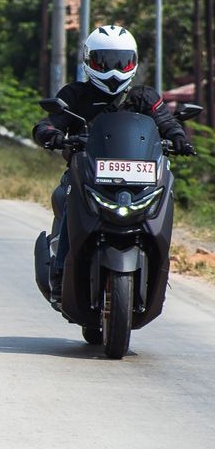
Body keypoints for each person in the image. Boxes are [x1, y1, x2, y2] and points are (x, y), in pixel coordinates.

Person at [32, 25, 193, 307]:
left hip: (139, 179)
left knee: (166, 196)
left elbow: (167, 123)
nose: (114, 70)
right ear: (89, 60)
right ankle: (60, 273)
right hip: (88, 175)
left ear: (134, 62)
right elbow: (48, 123)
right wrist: (50, 134)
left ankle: (158, 269)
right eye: (104, 62)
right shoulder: (75, 95)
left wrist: (179, 138)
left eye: (122, 62)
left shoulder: (144, 97)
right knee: (67, 198)